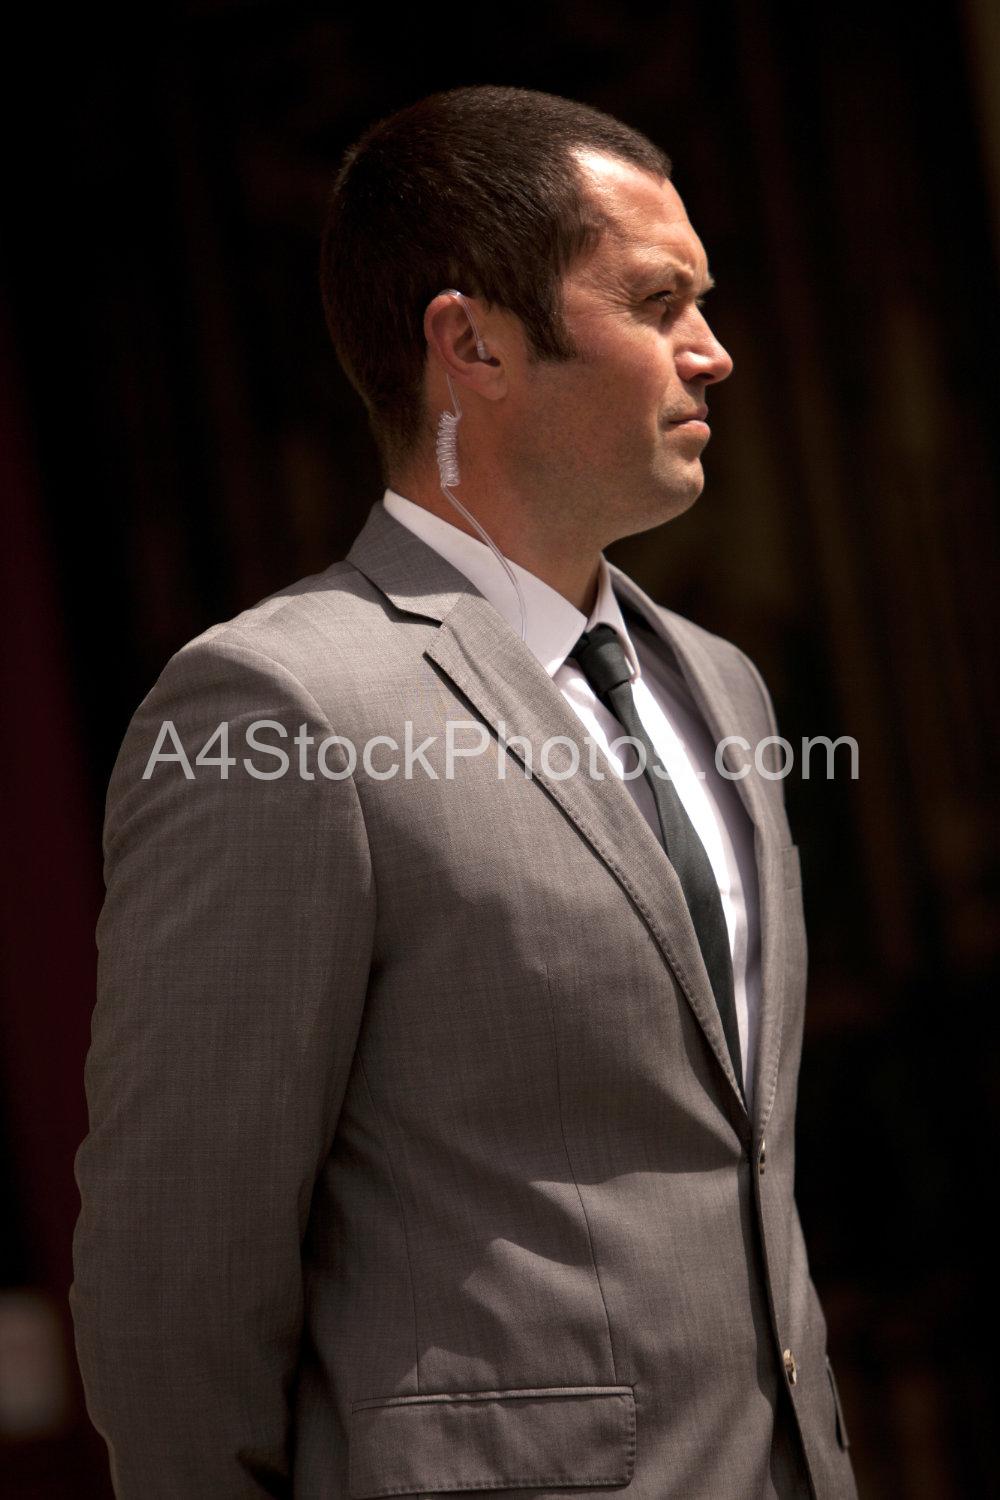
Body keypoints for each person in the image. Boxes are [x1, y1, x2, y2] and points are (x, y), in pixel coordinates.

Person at [69, 85, 859, 1500]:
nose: (713, 350)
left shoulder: (723, 688)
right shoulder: (281, 704)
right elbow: (175, 1271)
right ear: (473, 343)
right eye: (658, 302)